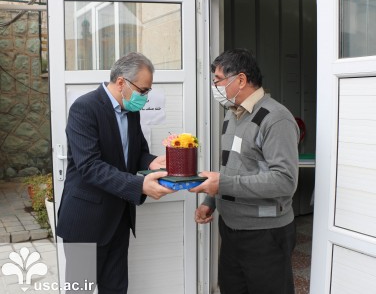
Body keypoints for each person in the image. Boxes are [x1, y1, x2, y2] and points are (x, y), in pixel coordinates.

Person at [56, 52, 174, 294]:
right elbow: (90, 166)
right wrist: (140, 186)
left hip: (118, 220)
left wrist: (153, 162)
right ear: (122, 82)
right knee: (80, 290)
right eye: (143, 90)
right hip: (85, 223)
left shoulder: (131, 111)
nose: (145, 96)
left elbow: (137, 152)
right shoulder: (84, 108)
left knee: (116, 289)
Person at [190, 48, 299, 294]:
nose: (214, 87)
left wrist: (222, 184)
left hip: (265, 235)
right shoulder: (232, 115)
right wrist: (211, 200)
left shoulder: (276, 118)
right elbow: (229, 168)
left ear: (240, 80)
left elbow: (284, 181)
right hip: (231, 231)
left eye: (218, 81)